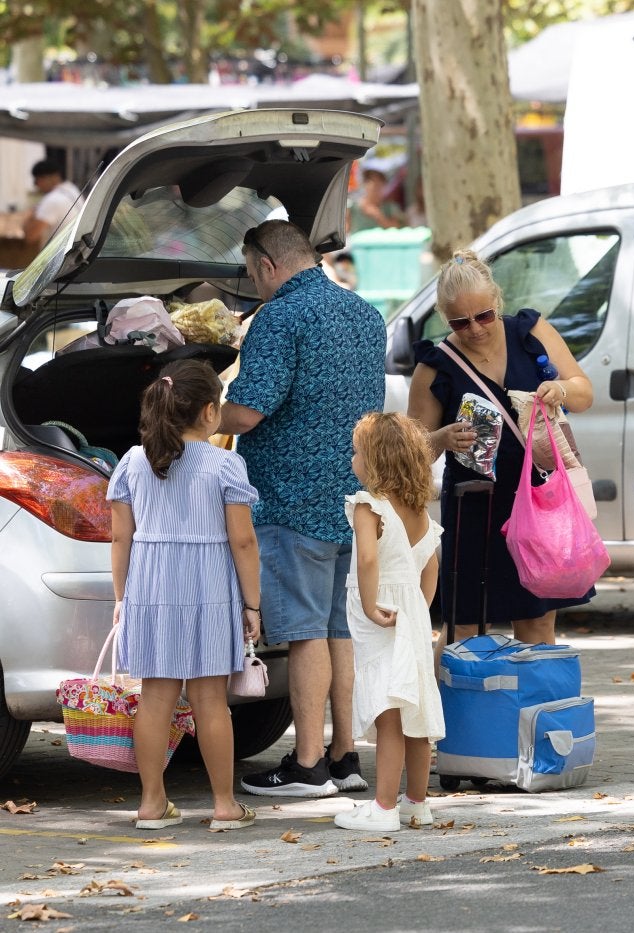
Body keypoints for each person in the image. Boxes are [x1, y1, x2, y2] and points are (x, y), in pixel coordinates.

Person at [218, 220, 387, 797]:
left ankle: (308, 764)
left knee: (308, 633)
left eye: (249, 270)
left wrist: (193, 419)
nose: (252, 283)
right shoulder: (364, 313)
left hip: (292, 501)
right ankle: (344, 757)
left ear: (267, 264)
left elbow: (246, 412)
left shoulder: (280, 317)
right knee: (339, 629)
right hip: (350, 497)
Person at [406, 249, 594, 646]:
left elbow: (583, 392)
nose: (474, 328)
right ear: (444, 317)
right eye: (460, 321)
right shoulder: (435, 365)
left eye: (484, 316)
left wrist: (559, 388)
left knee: (538, 625)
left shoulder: (530, 332)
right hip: (476, 508)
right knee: (466, 631)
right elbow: (411, 451)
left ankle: (536, 708)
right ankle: (468, 708)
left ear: (497, 302)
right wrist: (440, 439)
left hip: (538, 502)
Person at [108, 359, 260, 832]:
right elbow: (243, 542)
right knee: (210, 700)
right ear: (211, 412)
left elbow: (120, 539)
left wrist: (121, 598)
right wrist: (252, 604)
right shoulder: (225, 463)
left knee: (155, 698)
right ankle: (223, 806)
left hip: (150, 588)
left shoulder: (132, 461)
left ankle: (152, 804)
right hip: (208, 587)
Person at [334, 413, 445, 832]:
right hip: (411, 614)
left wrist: (369, 603)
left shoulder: (369, 506)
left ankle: (382, 808)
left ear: (376, 460)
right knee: (414, 712)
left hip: (380, 615)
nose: (353, 458)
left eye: (358, 451)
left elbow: (366, 558)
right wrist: (419, 607)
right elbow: (430, 567)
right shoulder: (418, 511)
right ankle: (416, 803)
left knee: (388, 711)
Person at [24, 160, 82, 248]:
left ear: (47, 178)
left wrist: (30, 215)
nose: (36, 186)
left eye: (37, 181)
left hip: (60, 256)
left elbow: (30, 236)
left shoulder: (52, 200)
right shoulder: (72, 188)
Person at [347, 168, 404, 233]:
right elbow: (346, 230)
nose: (377, 189)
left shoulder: (389, 207)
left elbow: (395, 230)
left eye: (381, 185)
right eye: (375, 184)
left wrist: (379, 217)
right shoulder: (353, 207)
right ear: (365, 184)